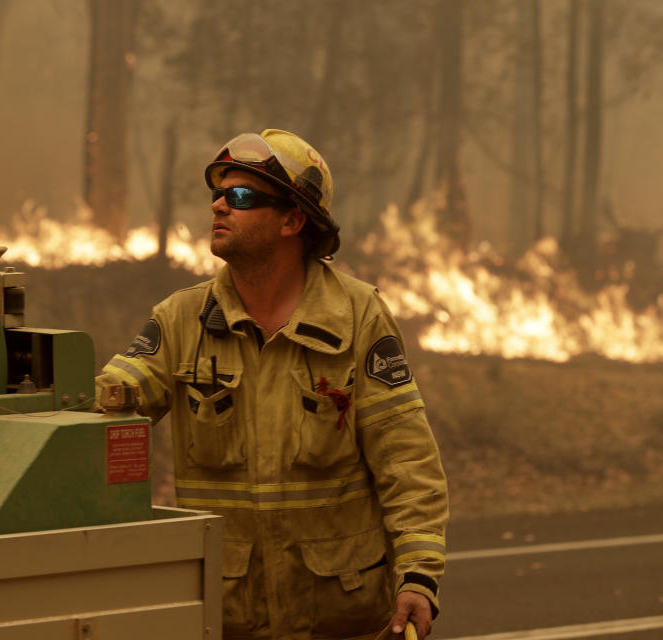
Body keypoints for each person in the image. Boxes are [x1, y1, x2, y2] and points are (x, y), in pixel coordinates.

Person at [96, 129, 448, 640]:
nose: (218, 206)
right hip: (227, 616)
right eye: (217, 194)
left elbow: (407, 458)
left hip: (341, 618)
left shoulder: (358, 316)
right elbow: (104, 414)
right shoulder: (180, 321)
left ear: (293, 219)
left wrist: (418, 575)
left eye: (240, 197)